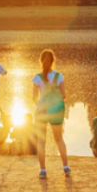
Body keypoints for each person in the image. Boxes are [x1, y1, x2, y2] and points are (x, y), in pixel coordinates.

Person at [32, 49, 70, 179]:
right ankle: (66, 167)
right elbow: (64, 95)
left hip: (42, 110)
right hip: (55, 110)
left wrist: (41, 105)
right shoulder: (58, 76)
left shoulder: (37, 77)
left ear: (41, 61)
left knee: (41, 141)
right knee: (59, 139)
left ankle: (43, 170)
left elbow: (34, 98)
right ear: (54, 61)